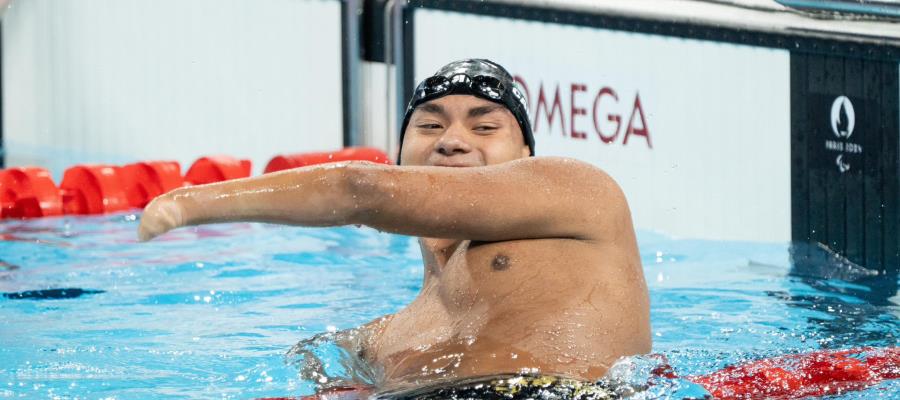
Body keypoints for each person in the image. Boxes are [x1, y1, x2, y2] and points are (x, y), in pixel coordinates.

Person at [139, 59, 650, 398]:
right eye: (429, 125)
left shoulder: (579, 191)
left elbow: (360, 190)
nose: (452, 141)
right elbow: (322, 356)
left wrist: (188, 203)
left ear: (526, 155)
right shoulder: (382, 337)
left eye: (484, 125)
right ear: (401, 157)